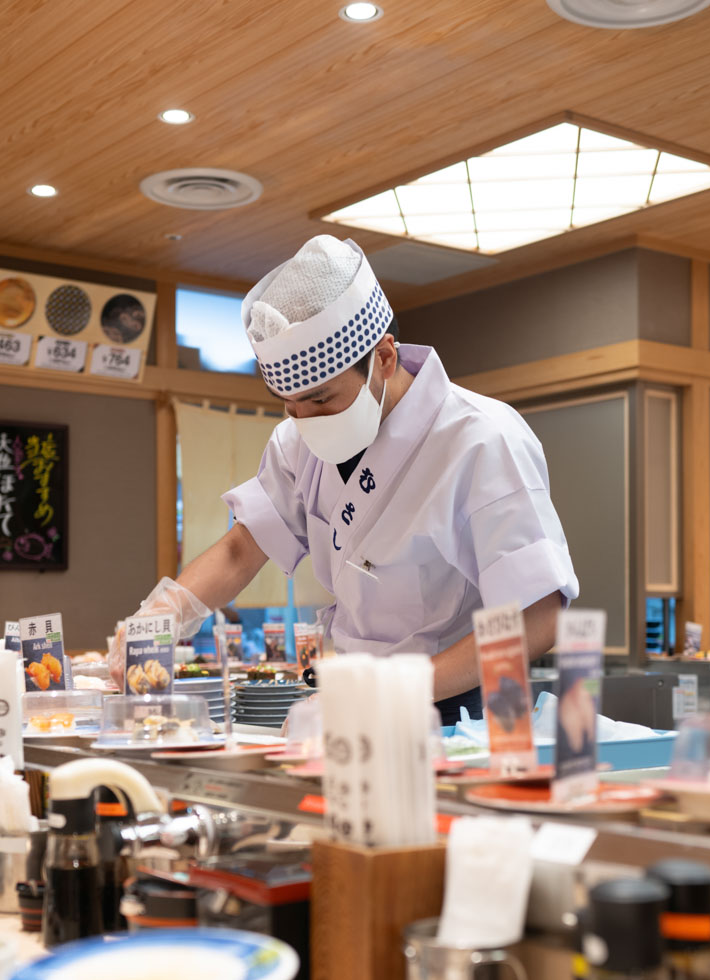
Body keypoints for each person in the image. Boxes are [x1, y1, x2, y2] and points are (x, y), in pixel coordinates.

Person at [118, 236, 579, 723]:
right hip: (355, 697)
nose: (306, 420)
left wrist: (396, 689)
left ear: (383, 357)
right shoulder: (296, 442)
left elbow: (537, 618)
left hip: (464, 709)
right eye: (290, 406)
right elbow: (241, 549)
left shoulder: (481, 439)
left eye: (321, 400)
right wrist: (162, 616)